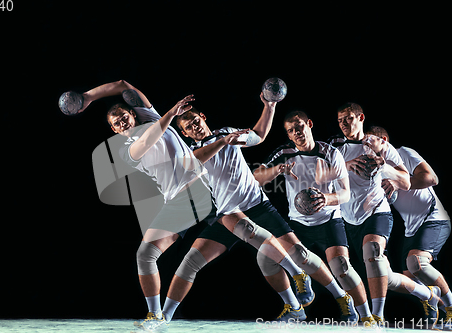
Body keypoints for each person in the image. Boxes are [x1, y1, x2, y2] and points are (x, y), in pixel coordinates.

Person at [158, 95, 357, 327]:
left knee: (300, 255)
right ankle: (164, 316)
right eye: (188, 127)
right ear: (185, 134)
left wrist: (269, 106)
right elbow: (193, 162)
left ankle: (342, 297)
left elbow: (259, 135)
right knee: (190, 262)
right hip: (226, 213)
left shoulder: (228, 132)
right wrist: (224, 141)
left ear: (203, 117)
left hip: (257, 205)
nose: (194, 127)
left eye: (195, 120)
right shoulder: (192, 150)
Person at [75, 79, 214, 325]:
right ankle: (157, 314)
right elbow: (148, 140)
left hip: (203, 189)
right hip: (180, 200)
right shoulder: (126, 149)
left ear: (133, 113)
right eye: (114, 122)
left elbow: (122, 84)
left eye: (122, 115)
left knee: (249, 228)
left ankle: (295, 277)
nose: (120, 121)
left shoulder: (151, 117)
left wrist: (87, 97)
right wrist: (171, 113)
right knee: (146, 255)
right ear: (114, 130)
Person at [254, 110, 369, 325]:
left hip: (329, 219)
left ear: (309, 124)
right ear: (288, 135)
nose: (297, 132)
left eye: (299, 126)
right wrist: (278, 169)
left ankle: (365, 316)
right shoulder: (284, 153)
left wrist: (326, 199)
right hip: (298, 222)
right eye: (291, 130)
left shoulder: (330, 153)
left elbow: (345, 193)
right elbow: (255, 178)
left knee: (341, 267)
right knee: (266, 258)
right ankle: (294, 306)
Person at [366, 126, 452, 331]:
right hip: (411, 228)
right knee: (398, 281)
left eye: (369, 142)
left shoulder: (403, 153)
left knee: (416, 263)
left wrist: (399, 183)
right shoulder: (373, 167)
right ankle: (432, 298)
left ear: (383, 140)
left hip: (433, 218)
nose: (365, 147)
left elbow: (432, 178)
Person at [328, 102, 413, 326]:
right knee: (383, 272)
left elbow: (405, 182)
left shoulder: (379, 144)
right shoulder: (334, 147)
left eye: (348, 118)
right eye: (340, 120)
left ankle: (377, 316)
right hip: (347, 216)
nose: (344, 123)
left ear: (361, 117)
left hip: (377, 212)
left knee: (372, 251)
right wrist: (345, 165)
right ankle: (428, 295)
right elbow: (319, 174)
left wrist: (384, 167)